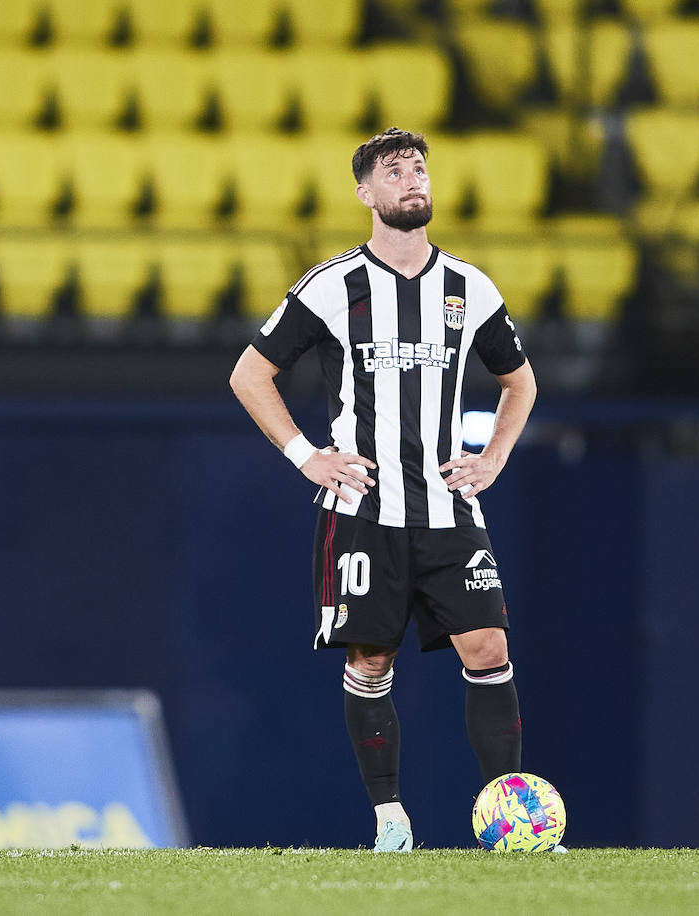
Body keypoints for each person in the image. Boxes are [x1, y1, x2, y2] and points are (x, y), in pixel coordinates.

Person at [229, 128, 537, 852]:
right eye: (394, 171)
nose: (413, 179)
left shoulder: (470, 287)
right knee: (371, 660)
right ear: (365, 194)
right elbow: (249, 373)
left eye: (420, 168)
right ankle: (390, 820)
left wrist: (491, 457)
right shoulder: (333, 284)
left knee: (488, 645)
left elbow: (518, 382)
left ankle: (512, 820)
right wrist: (306, 455)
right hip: (364, 507)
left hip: (447, 506)